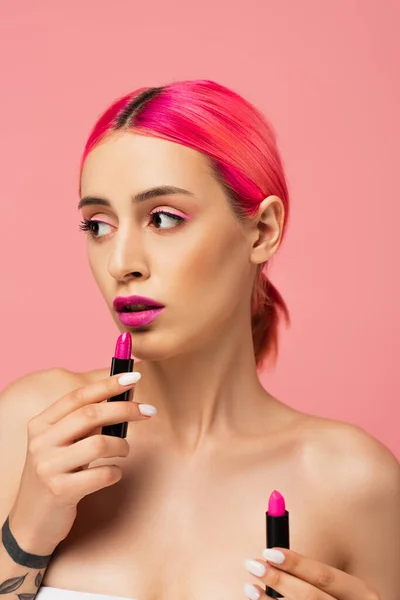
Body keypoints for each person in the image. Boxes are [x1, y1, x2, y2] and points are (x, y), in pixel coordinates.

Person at [0, 79, 398, 600]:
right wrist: (25, 534)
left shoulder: (354, 482)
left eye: (163, 218)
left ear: (262, 232)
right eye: (98, 225)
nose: (121, 263)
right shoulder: (35, 426)